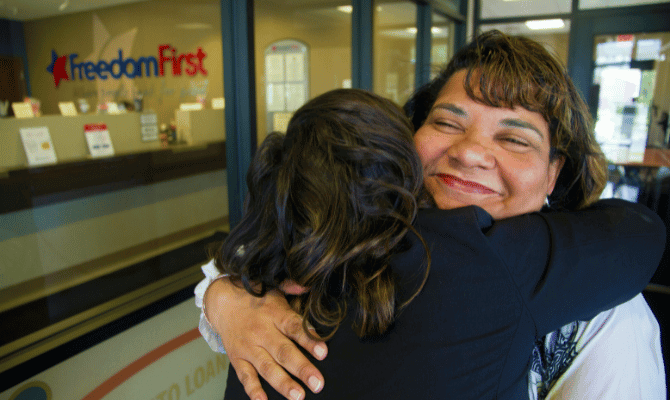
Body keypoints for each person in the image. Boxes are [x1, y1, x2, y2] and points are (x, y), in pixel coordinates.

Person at [195, 31, 666, 400]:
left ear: (553, 174)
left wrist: (224, 294)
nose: (470, 153)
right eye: (447, 123)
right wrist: (225, 297)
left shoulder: (610, 319)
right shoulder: (352, 225)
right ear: (409, 135)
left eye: (515, 139)